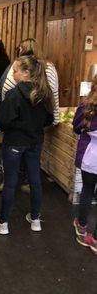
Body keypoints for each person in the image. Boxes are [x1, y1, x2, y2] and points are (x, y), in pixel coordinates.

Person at [0, 55, 54, 235]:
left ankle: (3, 224)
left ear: (26, 73)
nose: (13, 73)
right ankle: (35, 220)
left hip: (14, 143)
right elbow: (49, 119)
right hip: (35, 142)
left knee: (10, 182)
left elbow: (2, 123)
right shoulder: (45, 94)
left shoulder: (14, 94)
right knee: (35, 180)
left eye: (15, 71)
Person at [0, 38, 60, 193]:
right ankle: (29, 184)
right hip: (39, 118)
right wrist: (54, 117)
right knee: (33, 157)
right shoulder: (49, 67)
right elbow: (54, 94)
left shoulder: (17, 66)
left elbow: (6, 89)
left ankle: (8, 183)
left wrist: (7, 110)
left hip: (16, 119)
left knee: (11, 154)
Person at [72, 76, 97, 254]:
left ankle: (81, 226)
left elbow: (75, 126)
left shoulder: (86, 106)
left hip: (90, 157)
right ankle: (94, 239)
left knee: (88, 190)